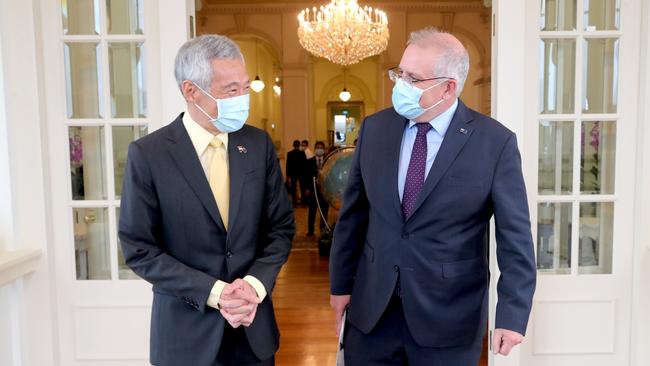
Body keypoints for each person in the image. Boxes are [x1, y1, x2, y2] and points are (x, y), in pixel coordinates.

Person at [329, 27, 536, 365]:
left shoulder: (494, 144)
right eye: (400, 74)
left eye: (413, 79)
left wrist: (512, 316)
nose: (400, 85)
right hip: (372, 314)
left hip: (449, 319)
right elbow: (353, 216)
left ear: (448, 88)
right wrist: (340, 286)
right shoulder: (375, 129)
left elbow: (516, 239)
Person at [119, 34, 295, 366]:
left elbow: (281, 228)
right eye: (231, 90)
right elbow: (139, 248)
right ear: (191, 91)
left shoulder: (258, 145)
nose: (243, 98)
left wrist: (253, 286)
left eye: (245, 87)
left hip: (252, 329)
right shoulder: (149, 154)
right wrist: (218, 293)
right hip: (185, 338)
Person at [306, 141, 329, 236]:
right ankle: (310, 230)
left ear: (323, 149)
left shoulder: (328, 161)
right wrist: (307, 188)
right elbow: (305, 176)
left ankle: (323, 229)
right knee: (312, 211)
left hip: (324, 191)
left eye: (321, 147)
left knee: (324, 211)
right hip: (312, 190)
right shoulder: (309, 161)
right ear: (315, 149)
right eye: (317, 147)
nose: (319, 149)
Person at [286, 140, 306, 205]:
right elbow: (304, 164)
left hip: (293, 174)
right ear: (299, 145)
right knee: (302, 188)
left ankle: (294, 203)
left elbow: (288, 165)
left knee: (293, 189)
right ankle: (303, 202)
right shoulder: (302, 153)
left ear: (293, 145)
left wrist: (287, 176)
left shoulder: (289, 153)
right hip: (301, 173)